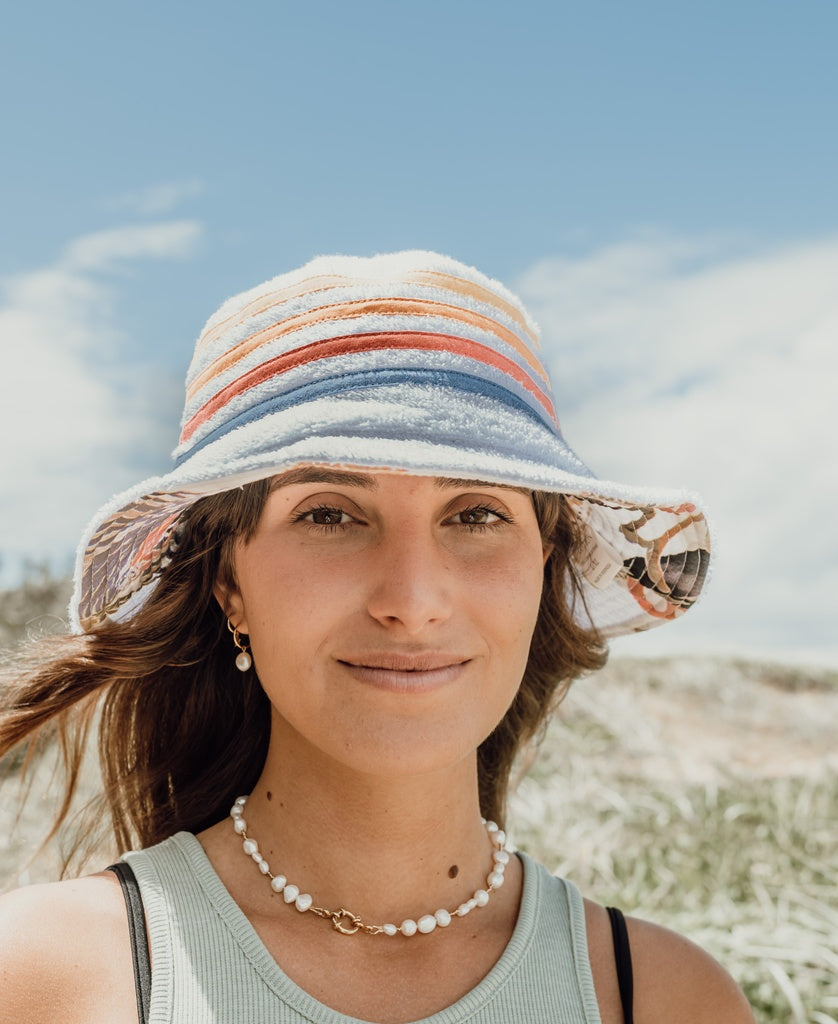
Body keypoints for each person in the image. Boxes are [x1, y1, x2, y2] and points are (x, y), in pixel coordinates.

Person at [0, 251, 754, 1023]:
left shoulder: (666, 997)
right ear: (230, 583)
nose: (412, 600)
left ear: (543, 569)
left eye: (476, 514)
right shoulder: (42, 979)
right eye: (328, 513)